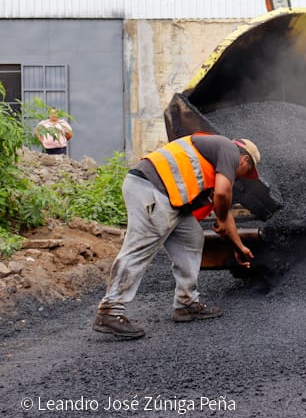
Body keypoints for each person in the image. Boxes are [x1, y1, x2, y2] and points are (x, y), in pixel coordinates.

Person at [92, 134, 262, 339]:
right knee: (140, 247)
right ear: (244, 160)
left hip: (172, 200)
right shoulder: (229, 150)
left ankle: (186, 303)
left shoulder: (212, 161)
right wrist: (223, 216)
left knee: (192, 239)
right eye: (246, 172)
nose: (241, 177)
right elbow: (223, 196)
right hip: (151, 187)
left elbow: (225, 217)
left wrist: (239, 248)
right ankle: (110, 311)